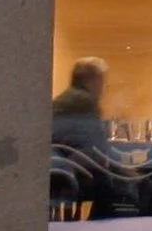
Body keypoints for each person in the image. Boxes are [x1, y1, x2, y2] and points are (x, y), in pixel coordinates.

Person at [52, 58, 114, 213]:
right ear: (91, 81)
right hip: (76, 174)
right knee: (113, 187)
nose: (103, 87)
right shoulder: (86, 104)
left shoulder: (61, 101)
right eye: (101, 81)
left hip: (58, 170)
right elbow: (95, 149)